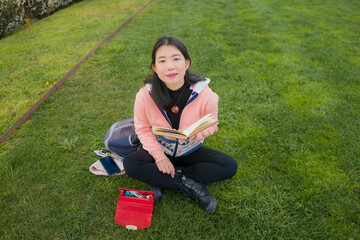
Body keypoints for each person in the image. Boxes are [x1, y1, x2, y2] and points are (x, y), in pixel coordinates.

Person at [123, 36, 238, 214]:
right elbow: (143, 129)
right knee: (131, 163)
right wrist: (159, 157)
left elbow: (212, 124)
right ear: (155, 67)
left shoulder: (206, 95)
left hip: (190, 149)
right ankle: (189, 185)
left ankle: (163, 179)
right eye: (162, 61)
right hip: (159, 149)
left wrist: (196, 135)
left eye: (176, 59)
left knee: (229, 166)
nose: (170, 66)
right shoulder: (145, 95)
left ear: (187, 62)